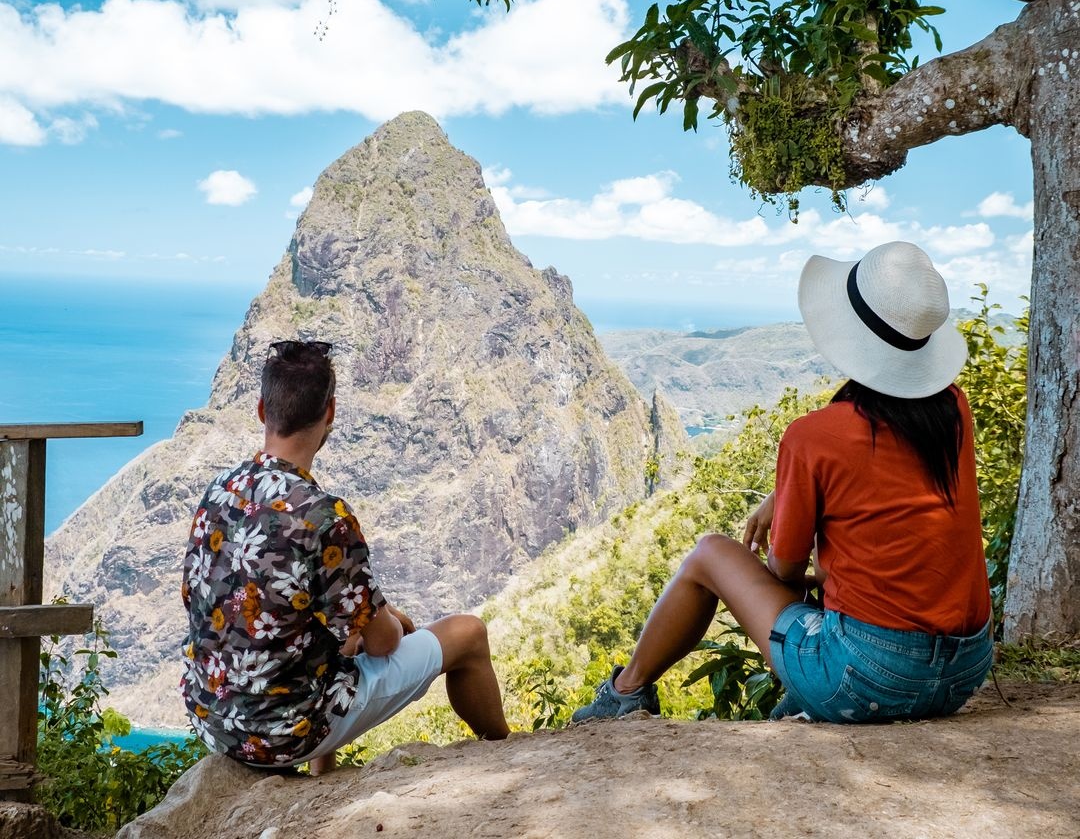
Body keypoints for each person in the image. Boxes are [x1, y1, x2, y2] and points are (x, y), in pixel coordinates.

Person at [571, 241, 993, 724]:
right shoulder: (952, 410)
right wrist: (786, 492)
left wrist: (800, 524)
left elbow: (785, 570)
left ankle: (626, 693)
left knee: (710, 553)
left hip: (875, 676)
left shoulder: (814, 436)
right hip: (964, 669)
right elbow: (886, 482)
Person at [181, 339, 509, 772]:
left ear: (262, 410)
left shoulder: (219, 489)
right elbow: (384, 642)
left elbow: (201, 600)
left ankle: (324, 774)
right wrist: (383, 617)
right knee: (467, 634)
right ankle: (507, 749)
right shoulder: (323, 516)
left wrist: (362, 617)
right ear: (330, 413)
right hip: (284, 733)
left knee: (338, 629)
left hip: (213, 718)